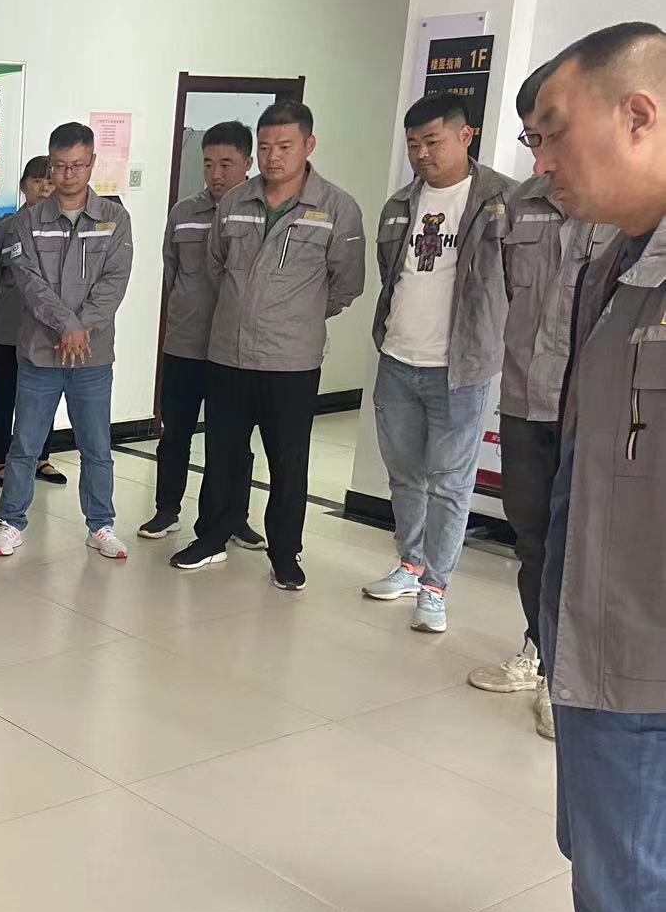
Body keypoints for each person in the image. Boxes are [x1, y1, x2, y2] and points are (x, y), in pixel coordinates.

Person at [473, 20, 666, 912]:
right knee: (602, 865)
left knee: (636, 898)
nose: (538, 160)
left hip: (648, 654)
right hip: (590, 627)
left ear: (637, 114)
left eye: (553, 133)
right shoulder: (614, 260)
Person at [467, 68, 617, 740]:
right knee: (533, 539)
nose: (540, 158)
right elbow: (504, 291)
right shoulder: (517, 205)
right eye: (531, 138)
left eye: (552, 135)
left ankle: (581, 678)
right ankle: (542, 653)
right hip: (527, 400)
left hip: (600, 414)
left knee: (590, 548)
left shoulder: (625, 209)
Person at [170, 101, 366, 589]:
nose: (273, 157)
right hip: (228, 354)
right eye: (264, 147)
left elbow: (346, 284)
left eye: (285, 146)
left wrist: (297, 315)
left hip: (291, 362)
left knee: (288, 463)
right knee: (223, 454)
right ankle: (211, 537)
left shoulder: (337, 208)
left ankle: (285, 553)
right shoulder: (236, 202)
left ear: (309, 145)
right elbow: (217, 265)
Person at [358, 93, 515, 634]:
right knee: (404, 474)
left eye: (433, 141)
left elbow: (517, 280)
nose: (422, 154)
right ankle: (410, 564)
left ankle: (435, 587)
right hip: (399, 358)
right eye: (413, 145)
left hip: (460, 369)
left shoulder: (501, 201)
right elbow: (391, 273)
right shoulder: (401, 204)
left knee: (449, 483)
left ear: (465, 136)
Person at [0, 122, 133, 559]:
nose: (67, 175)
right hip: (40, 353)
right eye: (59, 166)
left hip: (92, 355)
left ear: (92, 164)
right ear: (50, 166)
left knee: (97, 447)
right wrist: (66, 325)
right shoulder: (27, 222)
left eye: (77, 166)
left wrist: (80, 328)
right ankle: (11, 522)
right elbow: (29, 283)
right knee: (25, 445)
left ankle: (100, 525)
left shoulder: (115, 219)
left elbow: (114, 283)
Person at [142, 121, 263, 548]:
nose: (216, 174)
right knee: (174, 432)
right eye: (209, 164)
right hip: (185, 344)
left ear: (248, 163)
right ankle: (166, 509)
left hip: (235, 349)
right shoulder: (183, 213)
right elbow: (171, 270)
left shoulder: (258, 213)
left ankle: (234, 518)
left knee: (232, 442)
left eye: (227, 164)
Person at [0, 157, 65, 485]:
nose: (43, 188)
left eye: (49, 181)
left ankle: (41, 457)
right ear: (23, 186)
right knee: (5, 394)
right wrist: (9, 306)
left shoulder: (62, 229)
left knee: (45, 395)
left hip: (47, 330)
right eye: (36, 181)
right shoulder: (3, 230)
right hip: (9, 328)